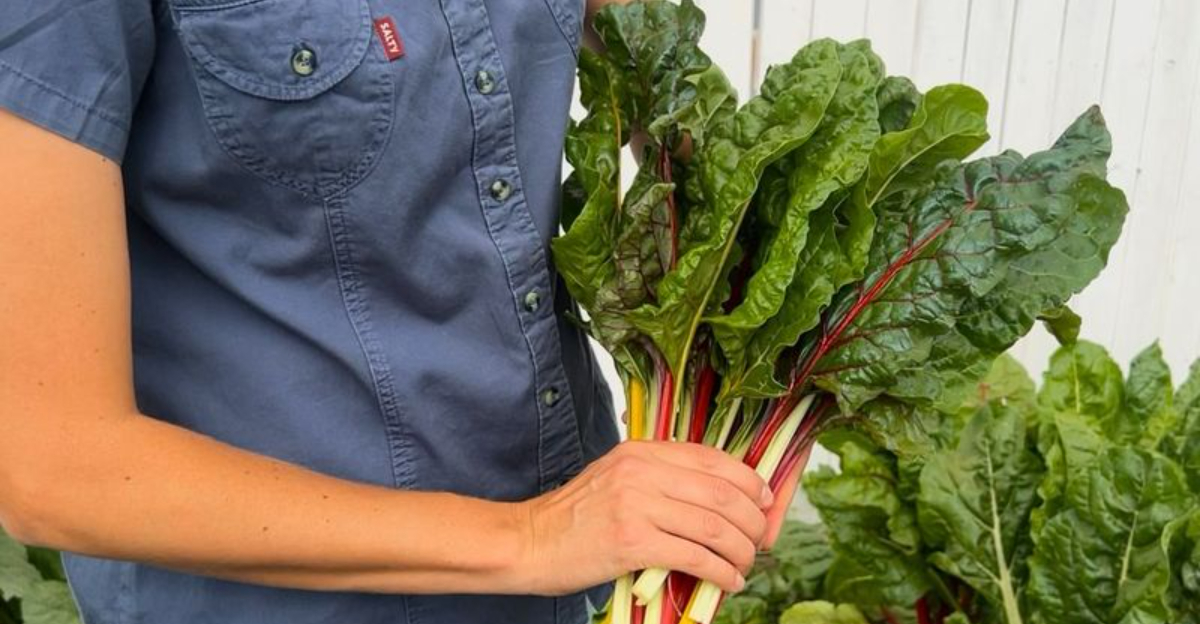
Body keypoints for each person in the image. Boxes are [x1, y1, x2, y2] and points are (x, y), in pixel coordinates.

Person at [0, 1, 775, 622]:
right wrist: (533, 537)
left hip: (577, 588)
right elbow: (54, 468)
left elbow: (663, 87)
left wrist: (767, 374)